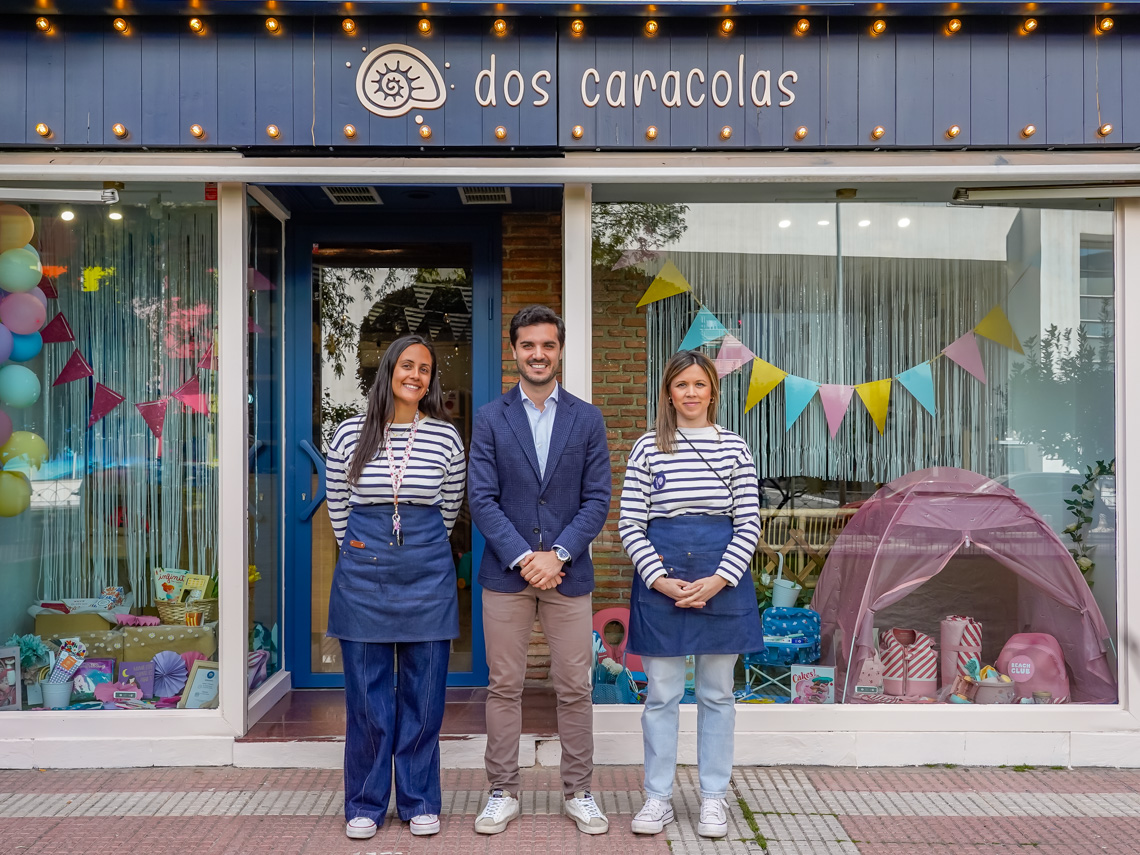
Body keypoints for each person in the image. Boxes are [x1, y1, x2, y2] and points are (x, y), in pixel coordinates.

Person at [468, 305, 612, 835]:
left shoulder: (587, 417)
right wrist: (527, 558)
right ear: (514, 350)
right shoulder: (489, 418)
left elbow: (597, 499)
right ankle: (502, 791)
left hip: (568, 574)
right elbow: (481, 499)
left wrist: (560, 555)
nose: (538, 354)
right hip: (507, 574)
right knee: (504, 684)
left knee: (575, 685)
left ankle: (579, 792)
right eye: (528, 345)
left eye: (547, 345)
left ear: (560, 349)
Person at [324, 334, 466, 841]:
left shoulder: (446, 438)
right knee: (367, 697)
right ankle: (364, 803)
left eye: (425, 369)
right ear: (388, 370)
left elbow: (449, 508)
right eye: (407, 365)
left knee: (425, 697)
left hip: (428, 573)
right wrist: (365, 550)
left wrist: (415, 549)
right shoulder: (347, 434)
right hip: (363, 575)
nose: (416, 375)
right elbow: (339, 508)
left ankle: (420, 799)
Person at [617, 350, 763, 839]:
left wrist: (719, 579)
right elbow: (631, 525)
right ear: (668, 393)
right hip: (662, 585)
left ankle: (714, 798)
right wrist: (659, 579)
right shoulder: (646, 448)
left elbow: (748, 524)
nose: (692, 393)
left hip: (722, 582)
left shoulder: (735, 449)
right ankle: (657, 798)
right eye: (682, 385)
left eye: (700, 384)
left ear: (713, 392)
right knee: (661, 694)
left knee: (718, 694)